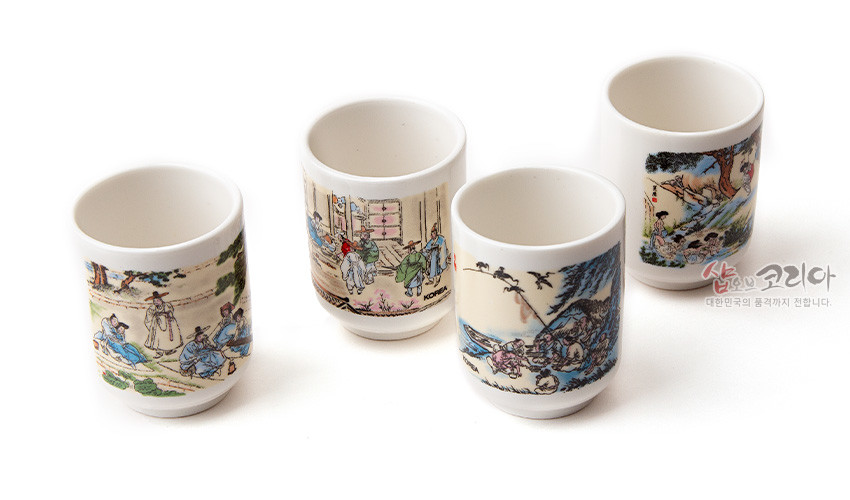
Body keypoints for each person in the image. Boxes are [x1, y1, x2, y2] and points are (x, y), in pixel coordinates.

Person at [143, 290, 181, 357]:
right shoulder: (152, 307)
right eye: (154, 301)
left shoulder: (166, 305)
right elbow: (149, 314)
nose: (156, 302)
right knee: (158, 337)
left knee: (167, 337)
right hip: (157, 324)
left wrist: (168, 315)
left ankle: (168, 350)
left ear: (160, 300)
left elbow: (170, 311)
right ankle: (159, 352)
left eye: (157, 301)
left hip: (167, 323)